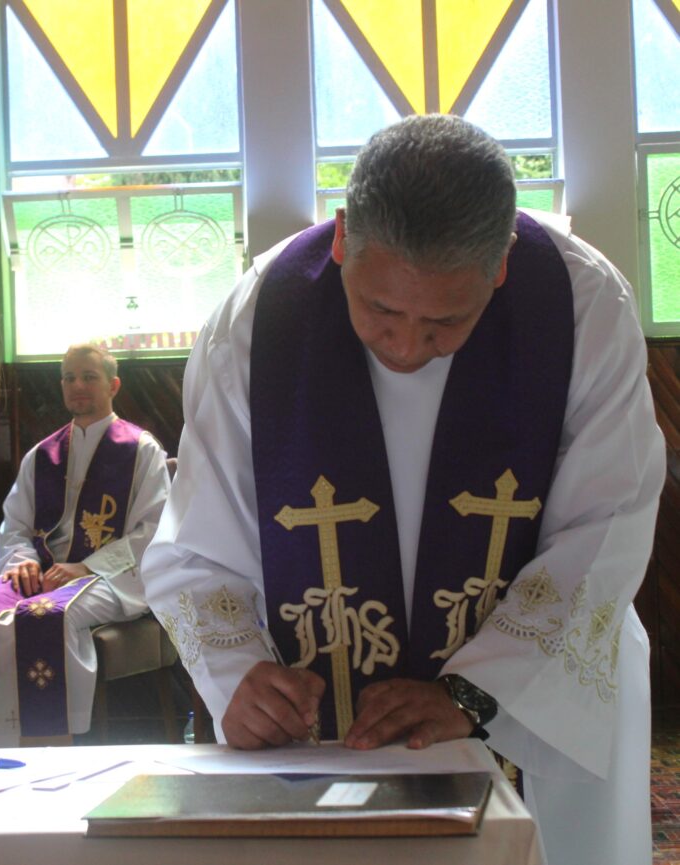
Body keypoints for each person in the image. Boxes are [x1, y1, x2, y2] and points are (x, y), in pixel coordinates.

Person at [141, 115, 664, 865]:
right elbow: (197, 538)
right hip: (322, 720)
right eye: (382, 310)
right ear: (344, 238)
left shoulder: (583, 307)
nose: (408, 345)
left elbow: (608, 523)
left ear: (502, 266)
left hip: (536, 710)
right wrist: (238, 675)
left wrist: (476, 691)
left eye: (446, 320)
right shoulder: (261, 316)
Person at [0, 343, 170, 745]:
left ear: (113, 385)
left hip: (116, 577)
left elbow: (152, 531)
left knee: (45, 616)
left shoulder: (142, 451)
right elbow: (16, 523)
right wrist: (20, 561)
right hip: (45, 572)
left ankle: (53, 736)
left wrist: (87, 567)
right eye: (69, 377)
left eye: (89, 377)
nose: (78, 386)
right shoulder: (42, 455)